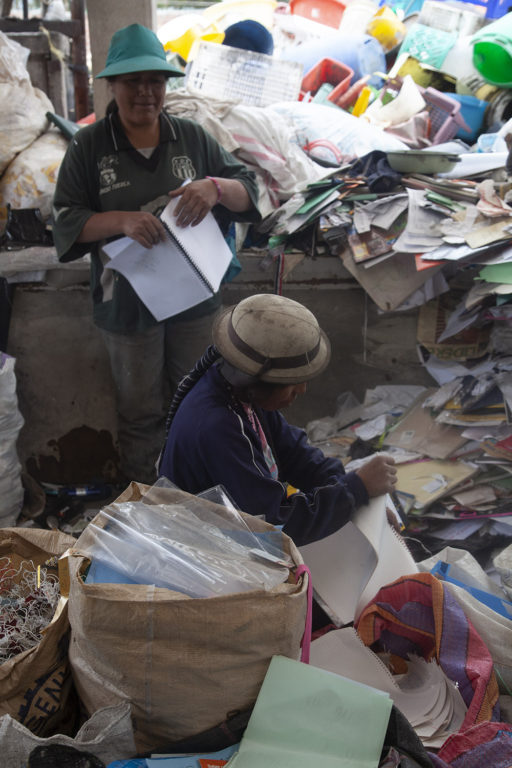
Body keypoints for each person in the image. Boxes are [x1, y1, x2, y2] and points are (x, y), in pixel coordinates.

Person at [52, 23, 260, 485]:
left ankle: (199, 495)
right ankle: (148, 505)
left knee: (202, 401)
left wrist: (215, 188)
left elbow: (251, 191)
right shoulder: (89, 146)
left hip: (194, 298)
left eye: (156, 81)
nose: (145, 92)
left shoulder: (191, 137)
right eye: (132, 82)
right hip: (127, 303)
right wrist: (120, 220)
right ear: (112, 85)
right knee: (141, 410)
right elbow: (65, 218)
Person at [158, 293, 397, 547]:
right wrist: (355, 489)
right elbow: (274, 527)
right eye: (292, 383)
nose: (302, 390)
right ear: (255, 382)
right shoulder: (217, 427)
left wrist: (359, 496)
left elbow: (297, 456)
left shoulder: (243, 392)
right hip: (203, 548)